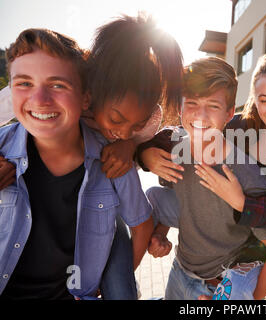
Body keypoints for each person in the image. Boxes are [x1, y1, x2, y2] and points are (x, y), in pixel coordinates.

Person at [0, 14, 184, 299]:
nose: (122, 132)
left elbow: (138, 136)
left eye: (132, 126)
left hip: (104, 206)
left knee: (119, 276)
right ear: (91, 93)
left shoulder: (139, 125)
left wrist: (132, 147)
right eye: (116, 119)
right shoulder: (77, 76)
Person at [160, 50, 266, 298]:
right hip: (228, 244)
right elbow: (185, 132)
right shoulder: (236, 126)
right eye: (264, 99)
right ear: (253, 99)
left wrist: (243, 203)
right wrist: (145, 152)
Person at [138, 56, 266, 300]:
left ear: (229, 113)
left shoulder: (244, 174)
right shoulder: (174, 150)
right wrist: (160, 233)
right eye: (191, 103)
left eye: (213, 105)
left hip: (215, 288)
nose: (200, 115)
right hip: (179, 272)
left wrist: (239, 301)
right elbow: (179, 201)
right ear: (180, 107)